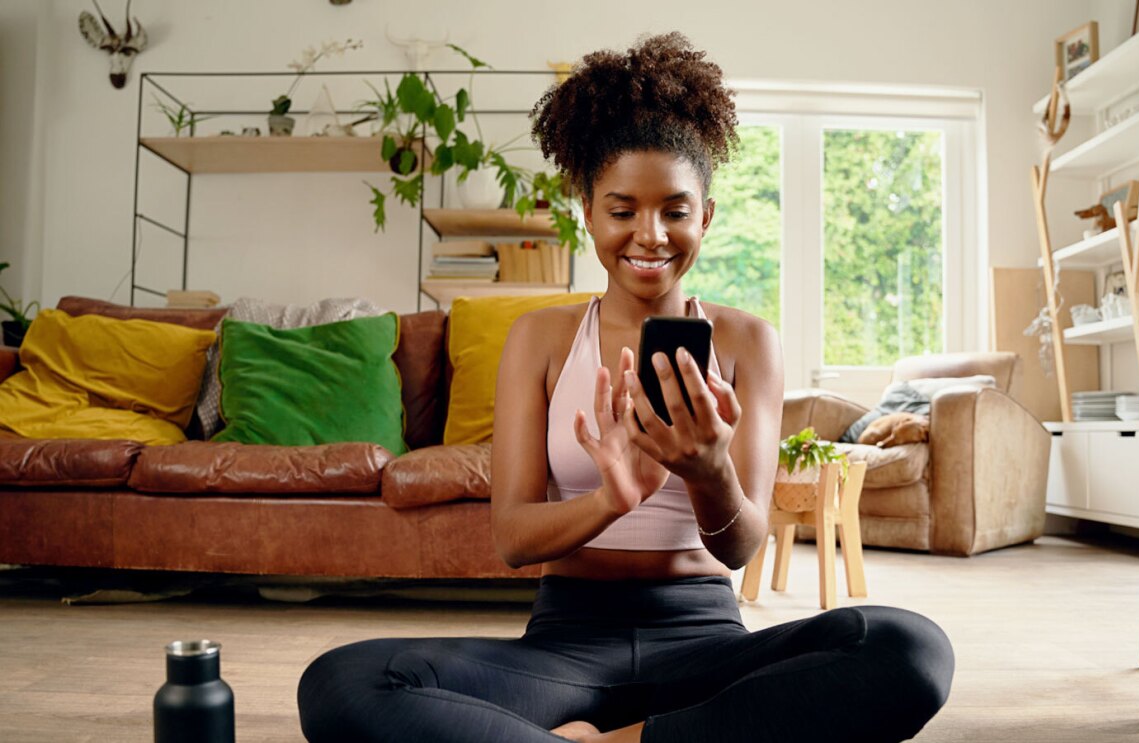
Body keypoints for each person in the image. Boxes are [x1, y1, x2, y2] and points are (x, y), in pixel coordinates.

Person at [298, 32, 954, 743]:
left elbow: (740, 548)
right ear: (587, 210)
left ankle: (617, 739)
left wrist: (707, 472)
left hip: (706, 643)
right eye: (622, 209)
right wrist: (612, 497)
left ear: (706, 215)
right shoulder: (541, 339)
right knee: (341, 682)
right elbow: (513, 538)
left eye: (675, 209)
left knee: (909, 648)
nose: (651, 234)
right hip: (563, 648)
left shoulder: (747, 343)